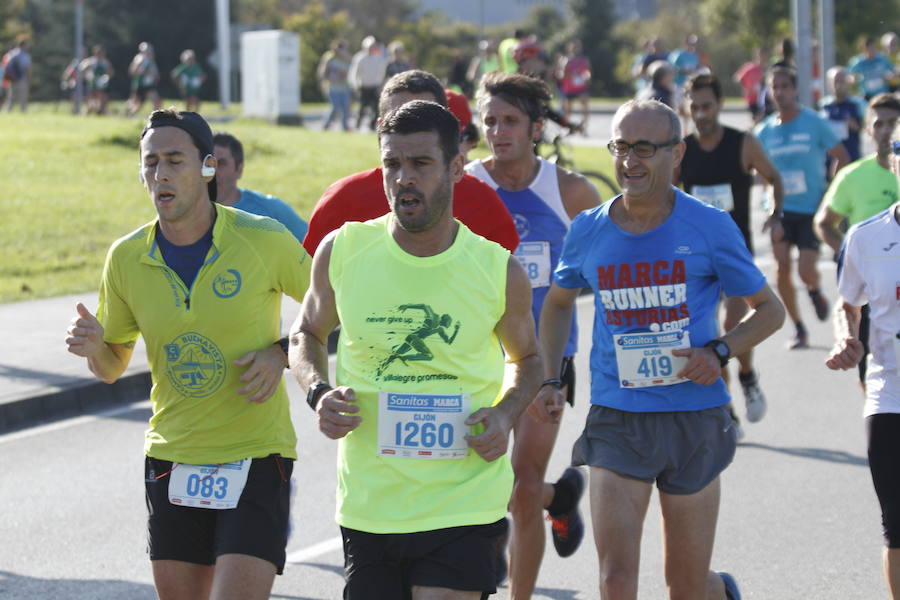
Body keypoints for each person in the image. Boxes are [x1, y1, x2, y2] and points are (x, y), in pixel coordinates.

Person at [289, 99, 542, 599]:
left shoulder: (496, 268)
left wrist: (506, 413)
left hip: (463, 499)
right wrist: (318, 392)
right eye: (392, 164)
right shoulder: (343, 251)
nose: (403, 178)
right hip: (371, 505)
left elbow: (529, 361)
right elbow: (307, 334)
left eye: (420, 164)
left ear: (455, 167)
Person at [538, 98, 785, 600]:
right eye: (621, 146)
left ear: (677, 154)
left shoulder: (709, 227)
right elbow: (558, 303)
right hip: (617, 416)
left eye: (645, 148)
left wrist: (719, 351)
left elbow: (769, 310)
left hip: (693, 416)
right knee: (615, 579)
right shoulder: (589, 228)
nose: (629, 160)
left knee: (688, 586)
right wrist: (551, 374)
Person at [64, 109, 311, 599]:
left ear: (207, 168)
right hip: (172, 459)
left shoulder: (261, 238)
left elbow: (335, 311)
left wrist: (281, 352)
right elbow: (112, 367)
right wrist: (95, 349)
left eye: (174, 160)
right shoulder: (127, 257)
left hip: (256, 456)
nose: (160, 174)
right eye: (150, 162)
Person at [467, 71, 601, 598]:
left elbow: (608, 271)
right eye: (490, 121)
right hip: (476, 357)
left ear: (537, 127)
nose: (498, 131)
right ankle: (561, 498)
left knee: (521, 490)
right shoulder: (467, 186)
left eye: (510, 121)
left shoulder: (570, 191)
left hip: (546, 361)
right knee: (481, 482)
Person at [303, 70, 519, 257]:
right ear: (379, 127)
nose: (410, 127)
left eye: (425, 116)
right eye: (397, 117)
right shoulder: (342, 200)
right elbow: (312, 289)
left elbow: (504, 287)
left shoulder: (483, 202)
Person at [678, 73, 785, 433]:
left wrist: (774, 213)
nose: (701, 114)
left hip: (733, 253)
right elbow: (668, 194)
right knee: (707, 332)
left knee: (732, 325)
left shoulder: (743, 144)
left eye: (707, 106)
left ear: (720, 105)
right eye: (694, 107)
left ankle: (748, 375)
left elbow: (774, 177)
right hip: (692, 257)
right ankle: (726, 409)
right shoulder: (682, 149)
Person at [825, 176, 900, 598]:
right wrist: (846, 338)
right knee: (896, 521)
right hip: (890, 393)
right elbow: (849, 303)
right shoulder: (868, 236)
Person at [754, 66, 850, 349]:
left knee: (806, 270)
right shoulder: (764, 130)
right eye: (775, 87)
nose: (780, 92)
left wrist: (832, 194)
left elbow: (841, 156)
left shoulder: (814, 122)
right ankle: (798, 328)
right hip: (780, 210)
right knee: (781, 269)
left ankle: (814, 290)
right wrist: (763, 185)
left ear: (796, 89)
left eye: (785, 86)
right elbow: (757, 171)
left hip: (811, 208)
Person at [815, 93, 900, 390]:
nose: (886, 130)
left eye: (893, 123)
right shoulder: (853, 175)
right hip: (872, 291)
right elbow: (824, 223)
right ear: (867, 130)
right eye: (879, 124)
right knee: (873, 379)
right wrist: (855, 258)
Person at [213, 131, 309, 244]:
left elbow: (311, 244)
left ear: (239, 170)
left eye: (221, 164)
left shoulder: (271, 209)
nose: (213, 171)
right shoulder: (193, 214)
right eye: (209, 164)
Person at [820, 66, 867, 162]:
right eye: (835, 81)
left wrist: (856, 127)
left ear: (848, 82)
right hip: (830, 159)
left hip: (852, 157)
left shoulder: (858, 104)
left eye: (842, 81)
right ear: (829, 83)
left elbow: (869, 129)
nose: (838, 85)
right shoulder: (823, 105)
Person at [348, 36, 387, 132]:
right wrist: (355, 85)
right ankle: (358, 125)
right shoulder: (360, 58)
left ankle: (372, 125)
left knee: (376, 108)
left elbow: (381, 72)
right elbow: (354, 73)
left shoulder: (378, 58)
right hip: (363, 86)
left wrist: (380, 85)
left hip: (375, 86)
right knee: (362, 107)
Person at [317, 40, 352, 131]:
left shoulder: (347, 58)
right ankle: (326, 124)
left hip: (344, 87)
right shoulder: (330, 57)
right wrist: (324, 81)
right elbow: (323, 72)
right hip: (332, 86)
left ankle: (345, 126)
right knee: (335, 107)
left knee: (345, 107)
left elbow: (351, 71)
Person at [556, 40, 591, 130]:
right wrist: (566, 72)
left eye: (578, 47)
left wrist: (587, 77)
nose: (576, 49)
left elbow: (587, 72)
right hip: (569, 88)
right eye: (574, 47)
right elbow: (560, 75)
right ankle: (566, 126)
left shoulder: (584, 60)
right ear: (570, 48)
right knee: (568, 110)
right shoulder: (566, 60)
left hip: (581, 87)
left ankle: (584, 125)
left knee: (584, 104)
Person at [733, 47, 769, 122]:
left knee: (763, 120)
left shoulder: (766, 69)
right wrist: (745, 88)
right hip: (752, 100)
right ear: (756, 56)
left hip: (763, 101)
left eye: (763, 55)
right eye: (760, 55)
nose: (761, 57)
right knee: (757, 120)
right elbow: (737, 78)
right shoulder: (749, 68)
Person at [127, 42, 161, 117]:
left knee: (156, 102)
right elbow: (133, 72)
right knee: (136, 104)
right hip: (140, 84)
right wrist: (146, 72)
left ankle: (155, 118)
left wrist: (155, 77)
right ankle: (127, 116)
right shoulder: (139, 59)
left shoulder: (151, 61)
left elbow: (156, 74)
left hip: (149, 85)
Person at [80, 44, 114, 115]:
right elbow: (82, 68)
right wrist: (87, 75)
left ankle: (100, 112)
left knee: (103, 100)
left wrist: (106, 77)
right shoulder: (91, 61)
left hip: (102, 84)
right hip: (93, 84)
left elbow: (110, 72)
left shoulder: (105, 62)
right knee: (91, 102)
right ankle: (87, 113)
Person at [3, 38, 32, 112]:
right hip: (22, 77)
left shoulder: (11, 53)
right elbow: (26, 67)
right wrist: (29, 77)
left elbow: (6, 65)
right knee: (23, 95)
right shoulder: (24, 55)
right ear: (24, 45)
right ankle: (23, 110)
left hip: (12, 77)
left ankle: (9, 110)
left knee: (11, 96)